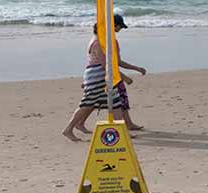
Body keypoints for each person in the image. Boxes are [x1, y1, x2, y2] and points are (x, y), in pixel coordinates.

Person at [62, 13, 146, 141]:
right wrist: (124, 77)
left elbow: (112, 62)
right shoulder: (97, 42)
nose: (119, 30)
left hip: (100, 76)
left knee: (115, 102)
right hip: (97, 77)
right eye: (118, 27)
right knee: (87, 104)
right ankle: (68, 129)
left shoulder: (103, 41)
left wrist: (132, 70)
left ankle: (123, 131)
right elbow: (105, 64)